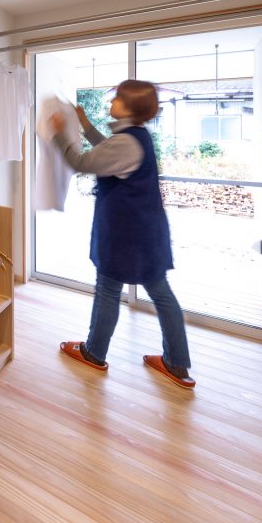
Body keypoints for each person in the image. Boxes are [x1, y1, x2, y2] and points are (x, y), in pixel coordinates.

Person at [49, 79, 195, 389]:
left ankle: (93, 352)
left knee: (108, 288)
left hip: (125, 235)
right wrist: (85, 124)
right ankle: (177, 363)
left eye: (118, 98)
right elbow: (108, 150)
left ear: (129, 106)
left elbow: (81, 161)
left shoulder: (125, 143)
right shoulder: (136, 137)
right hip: (146, 232)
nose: (112, 101)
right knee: (161, 293)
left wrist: (60, 132)